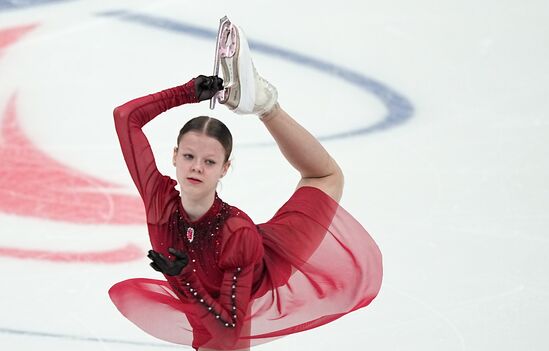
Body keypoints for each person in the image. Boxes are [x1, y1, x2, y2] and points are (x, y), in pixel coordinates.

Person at [109, 24, 382, 351]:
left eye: (209, 162)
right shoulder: (160, 200)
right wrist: (187, 92)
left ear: (225, 168)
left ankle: (267, 105)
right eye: (189, 156)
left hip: (261, 260)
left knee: (324, 177)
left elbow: (227, 329)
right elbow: (126, 117)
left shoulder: (237, 235)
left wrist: (185, 279)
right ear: (175, 157)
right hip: (209, 304)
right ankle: (263, 104)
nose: (196, 166)